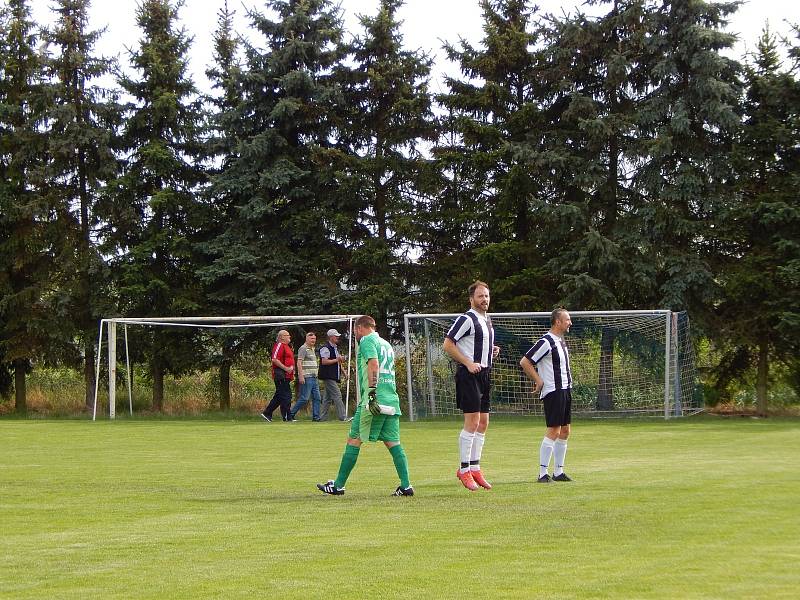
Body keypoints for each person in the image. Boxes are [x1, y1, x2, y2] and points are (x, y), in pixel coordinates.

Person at [316, 315, 413, 496]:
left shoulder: (367, 341)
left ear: (360, 328)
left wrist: (372, 393)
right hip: (391, 399)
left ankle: (338, 486)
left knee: (354, 439)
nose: (355, 334)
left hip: (373, 401)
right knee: (393, 442)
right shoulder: (386, 344)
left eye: (355, 331)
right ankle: (406, 486)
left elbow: (374, 364)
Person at [443, 281, 500, 491]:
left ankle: (475, 467)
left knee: (483, 422)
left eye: (486, 296)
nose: (484, 299)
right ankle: (463, 469)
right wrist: (467, 362)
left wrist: (490, 350)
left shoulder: (487, 320)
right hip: (469, 375)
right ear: (471, 299)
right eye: (480, 296)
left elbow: (477, 344)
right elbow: (448, 343)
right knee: (472, 421)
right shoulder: (466, 319)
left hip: (485, 373)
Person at [520, 308, 574, 483]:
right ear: (557, 322)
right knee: (554, 429)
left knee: (565, 431)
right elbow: (525, 361)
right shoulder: (546, 341)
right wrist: (538, 380)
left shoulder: (561, 340)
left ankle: (558, 472)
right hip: (553, 390)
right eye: (567, 320)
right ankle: (542, 473)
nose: (570, 323)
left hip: (565, 389)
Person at [261, 330, 295, 422]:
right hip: (281, 375)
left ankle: (267, 413)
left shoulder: (287, 347)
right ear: (282, 337)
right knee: (286, 396)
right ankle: (287, 417)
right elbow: (275, 359)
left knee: (280, 396)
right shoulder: (280, 345)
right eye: (288, 335)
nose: (290, 337)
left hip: (286, 375)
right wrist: (286, 368)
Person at [289, 331, 322, 421]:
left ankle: (316, 417)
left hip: (314, 377)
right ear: (307, 339)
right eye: (311, 338)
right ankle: (290, 414)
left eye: (314, 339)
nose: (313, 340)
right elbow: (299, 362)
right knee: (304, 398)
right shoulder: (303, 348)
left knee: (317, 398)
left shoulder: (312, 349)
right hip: (307, 376)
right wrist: (301, 375)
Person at [318, 328, 349, 421]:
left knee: (327, 398)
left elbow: (337, 362)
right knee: (337, 395)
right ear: (331, 337)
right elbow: (324, 361)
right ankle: (343, 417)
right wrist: (338, 359)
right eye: (336, 336)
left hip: (333, 375)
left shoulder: (335, 348)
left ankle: (322, 417)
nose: (338, 337)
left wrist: (344, 372)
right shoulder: (325, 348)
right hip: (328, 375)